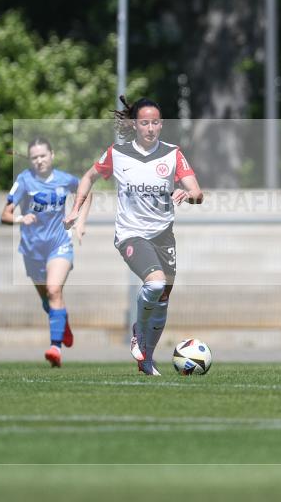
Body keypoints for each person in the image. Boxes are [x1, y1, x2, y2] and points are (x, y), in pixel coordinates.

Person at [64, 96, 203, 376]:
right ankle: (138, 332)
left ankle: (146, 360)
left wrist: (187, 194)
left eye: (154, 122)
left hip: (163, 236)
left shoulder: (173, 153)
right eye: (144, 123)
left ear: (161, 125)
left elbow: (198, 194)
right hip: (131, 235)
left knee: (162, 299)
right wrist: (76, 210)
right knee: (154, 284)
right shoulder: (117, 153)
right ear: (135, 125)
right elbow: (89, 177)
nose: (150, 128)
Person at [0, 137, 91, 368]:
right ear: (30, 160)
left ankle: (55, 348)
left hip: (59, 244)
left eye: (43, 155)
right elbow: (5, 215)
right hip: (32, 250)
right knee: (48, 300)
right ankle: (63, 322)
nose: (39, 160)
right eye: (34, 157)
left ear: (52, 155)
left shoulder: (64, 179)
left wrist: (79, 221)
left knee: (53, 290)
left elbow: (86, 191)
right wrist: (21, 218)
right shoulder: (24, 181)